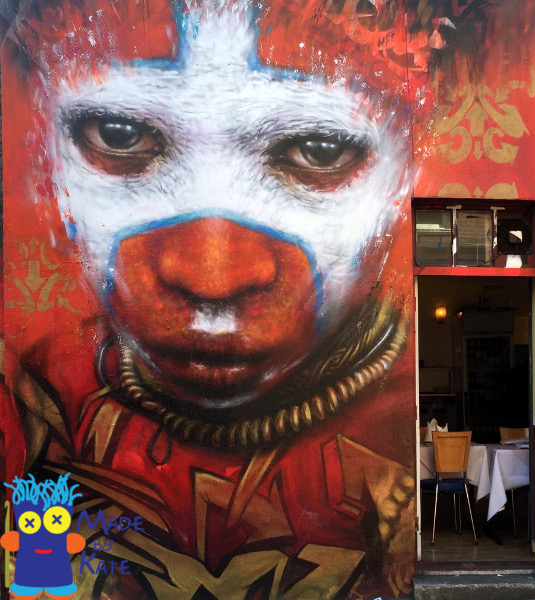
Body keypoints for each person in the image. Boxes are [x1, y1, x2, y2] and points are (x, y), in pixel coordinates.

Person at [0, 1, 436, 597]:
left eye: (318, 150)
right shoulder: (41, 401)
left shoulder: (396, 417)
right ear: (44, 158)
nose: (212, 277)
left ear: (404, 177)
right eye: (120, 135)